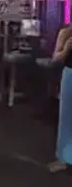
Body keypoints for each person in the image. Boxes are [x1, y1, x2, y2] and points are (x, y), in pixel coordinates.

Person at [48, 25, 72, 172]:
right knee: (66, 118)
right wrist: (66, 49)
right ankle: (64, 158)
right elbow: (55, 58)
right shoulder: (65, 33)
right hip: (70, 75)